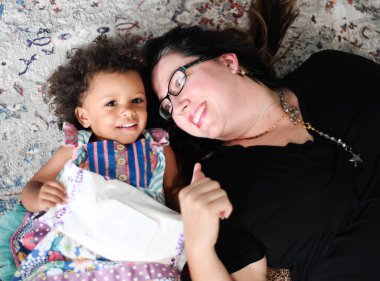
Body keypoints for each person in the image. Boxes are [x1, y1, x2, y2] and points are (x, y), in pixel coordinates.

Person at [145, 0, 380, 280]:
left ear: (228, 62)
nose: (179, 106)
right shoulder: (219, 186)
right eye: (168, 107)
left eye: (179, 81)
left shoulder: (330, 71)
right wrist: (198, 246)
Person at [0, 36, 184, 281]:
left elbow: (174, 189)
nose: (128, 110)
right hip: (79, 248)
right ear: (84, 117)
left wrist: (191, 203)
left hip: (138, 247)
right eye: (111, 103)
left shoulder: (158, 147)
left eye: (136, 100)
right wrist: (40, 197)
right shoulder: (76, 148)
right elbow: (33, 187)